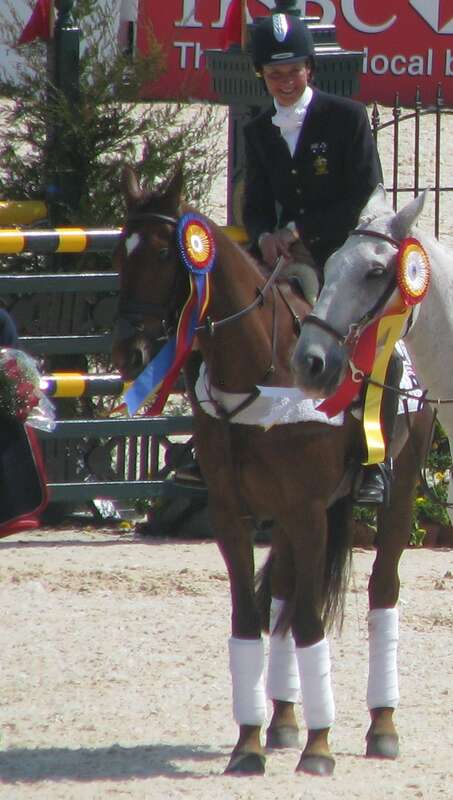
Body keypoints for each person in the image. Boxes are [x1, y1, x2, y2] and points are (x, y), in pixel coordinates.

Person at [242, 12, 394, 505]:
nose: (284, 83)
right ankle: (215, 444)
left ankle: (377, 459)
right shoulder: (258, 129)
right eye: (274, 75)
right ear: (261, 76)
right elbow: (256, 200)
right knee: (231, 315)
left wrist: (298, 230)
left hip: (347, 253)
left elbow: (360, 195)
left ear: (310, 68)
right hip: (290, 256)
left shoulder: (346, 117)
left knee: (383, 344)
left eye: (293, 72)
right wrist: (264, 234)